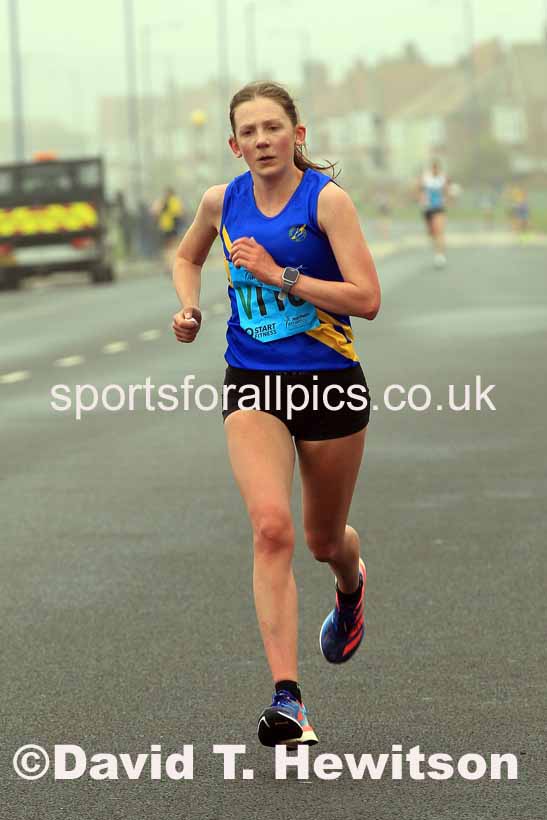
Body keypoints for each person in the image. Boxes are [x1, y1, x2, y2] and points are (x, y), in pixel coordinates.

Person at [171, 81, 381, 748]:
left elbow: (366, 298)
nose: (262, 140)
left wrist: (279, 275)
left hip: (329, 386)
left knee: (322, 541)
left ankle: (350, 583)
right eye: (249, 132)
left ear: (298, 134)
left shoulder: (327, 202)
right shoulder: (219, 201)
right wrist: (190, 306)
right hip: (252, 383)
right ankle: (287, 700)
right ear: (233, 145)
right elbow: (186, 256)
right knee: (269, 527)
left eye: (272, 128)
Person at [419, 159, 450, 268]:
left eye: (437, 168)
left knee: (439, 230)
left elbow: (446, 191)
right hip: (427, 208)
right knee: (431, 232)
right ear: (431, 168)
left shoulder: (443, 178)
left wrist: (446, 199)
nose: (435, 170)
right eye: (433, 168)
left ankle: (440, 255)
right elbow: (420, 190)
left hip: (438, 207)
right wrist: (422, 198)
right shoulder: (425, 177)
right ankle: (437, 246)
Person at [154, 187, 185, 273]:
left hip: (168, 227)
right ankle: (171, 266)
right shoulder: (172, 201)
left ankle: (171, 266)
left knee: (169, 248)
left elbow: (155, 212)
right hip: (169, 227)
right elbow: (180, 213)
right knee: (172, 247)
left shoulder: (167, 201)